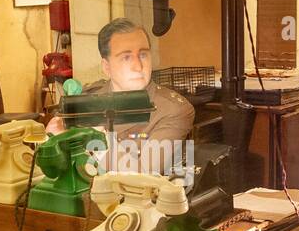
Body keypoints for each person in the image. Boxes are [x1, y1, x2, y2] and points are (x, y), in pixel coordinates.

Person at [48, 18, 193, 143]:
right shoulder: (84, 100)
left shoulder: (173, 110)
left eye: (143, 55)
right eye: (126, 57)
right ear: (106, 67)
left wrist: (94, 142)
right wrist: (53, 139)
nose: (138, 66)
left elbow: (144, 169)